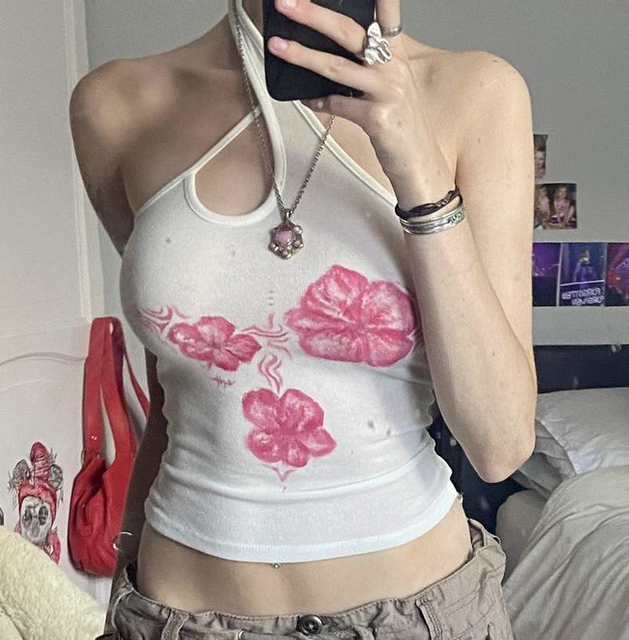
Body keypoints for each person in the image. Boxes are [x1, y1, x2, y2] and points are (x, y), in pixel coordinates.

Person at [70, 0, 536, 638]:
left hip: (417, 615)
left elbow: (500, 446)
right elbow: (175, 388)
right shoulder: (115, 106)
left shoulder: (477, 93)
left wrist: (417, 164)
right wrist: (122, 573)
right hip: (175, 614)